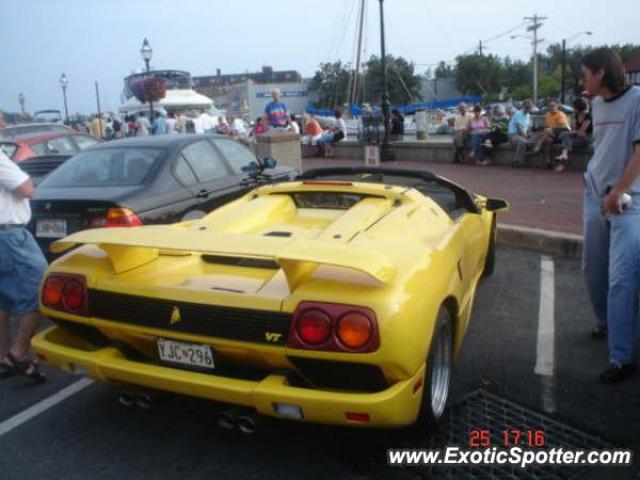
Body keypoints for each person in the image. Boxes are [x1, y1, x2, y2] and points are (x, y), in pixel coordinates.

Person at [579, 48, 640, 384]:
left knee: (621, 279)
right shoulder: (597, 103)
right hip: (594, 195)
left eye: (585, 73)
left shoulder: (638, 100)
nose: (582, 79)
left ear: (601, 72)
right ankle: (604, 322)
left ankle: (622, 358)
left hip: (629, 201)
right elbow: (602, 146)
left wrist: (618, 191)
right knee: (593, 268)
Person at [0, 150, 48, 382]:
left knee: (2, 299)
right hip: (9, 236)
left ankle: (2, 359)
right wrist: (27, 179)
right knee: (40, 289)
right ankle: (18, 353)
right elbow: (26, 189)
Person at [554, 97, 593, 172]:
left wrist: (574, 132)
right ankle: (564, 155)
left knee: (566, 140)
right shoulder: (576, 115)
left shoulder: (588, 116)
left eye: (574, 107)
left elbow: (581, 132)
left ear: (579, 107)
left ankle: (562, 163)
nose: (573, 108)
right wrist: (574, 132)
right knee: (566, 137)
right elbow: (574, 130)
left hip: (586, 138)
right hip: (577, 137)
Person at [535, 98, 571, 167]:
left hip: (562, 135)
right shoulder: (548, 115)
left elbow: (561, 127)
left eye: (553, 106)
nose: (551, 108)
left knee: (546, 130)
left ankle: (538, 147)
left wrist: (550, 129)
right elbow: (549, 126)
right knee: (548, 140)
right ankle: (547, 161)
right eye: (550, 106)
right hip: (553, 134)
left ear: (557, 106)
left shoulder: (561, 114)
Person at [507, 99, 533, 167]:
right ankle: (516, 160)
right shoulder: (518, 113)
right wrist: (526, 137)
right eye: (526, 107)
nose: (528, 109)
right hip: (513, 134)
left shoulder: (528, 115)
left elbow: (529, 128)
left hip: (522, 134)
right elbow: (519, 128)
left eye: (529, 107)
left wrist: (530, 134)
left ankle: (530, 152)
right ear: (523, 106)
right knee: (523, 142)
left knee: (533, 140)